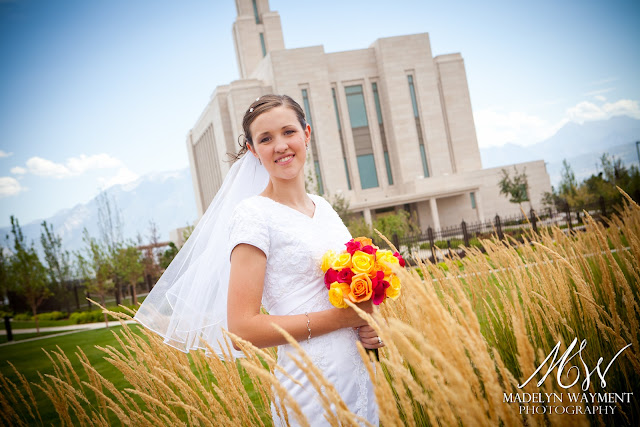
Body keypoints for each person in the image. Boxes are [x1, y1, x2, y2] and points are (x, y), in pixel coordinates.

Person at [135, 94, 381, 426]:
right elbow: (242, 328)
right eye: (266, 139)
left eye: (288, 132)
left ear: (306, 134)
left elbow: (346, 295)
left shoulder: (324, 208)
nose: (280, 145)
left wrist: (369, 327)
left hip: (359, 375)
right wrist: (341, 319)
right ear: (253, 150)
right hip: (310, 384)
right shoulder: (253, 216)